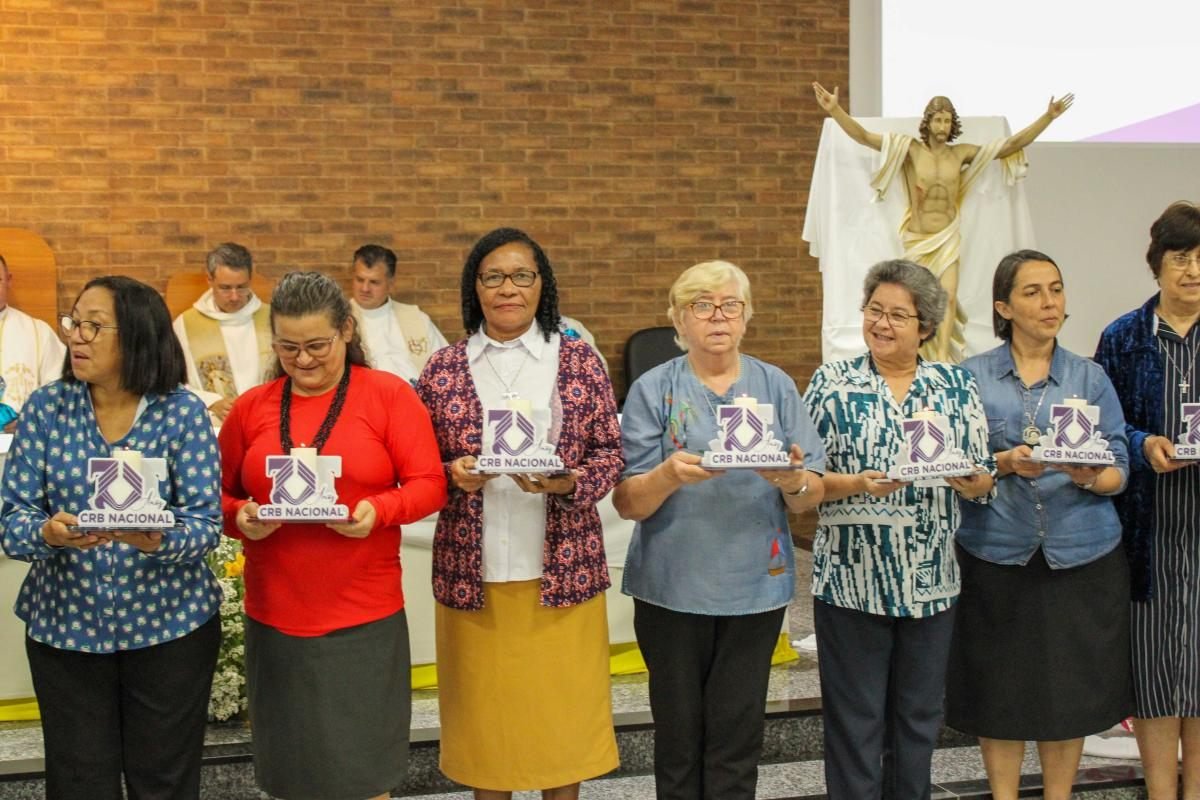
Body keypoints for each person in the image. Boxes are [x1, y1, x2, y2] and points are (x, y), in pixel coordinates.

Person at [219, 271, 446, 800]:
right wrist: (242, 516)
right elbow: (217, 496)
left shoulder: (387, 396)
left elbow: (430, 484)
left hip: (362, 618)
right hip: (275, 618)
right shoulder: (252, 407)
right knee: (290, 773)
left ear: (346, 330)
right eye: (288, 347)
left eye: (317, 345)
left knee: (363, 773)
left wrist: (378, 509)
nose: (302, 360)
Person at [415, 227, 622, 800]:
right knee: (488, 731)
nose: (508, 288)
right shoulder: (442, 368)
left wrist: (569, 482)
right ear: (475, 288)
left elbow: (610, 452)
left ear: (541, 285)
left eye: (521, 276)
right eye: (493, 277)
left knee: (561, 725)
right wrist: (452, 473)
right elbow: (417, 464)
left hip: (563, 574)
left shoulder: (578, 360)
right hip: (473, 577)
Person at [1, 276, 222, 799]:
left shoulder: (181, 413)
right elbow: (12, 521)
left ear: (139, 336)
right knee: (80, 783)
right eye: (74, 322)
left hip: (170, 630)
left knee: (164, 782)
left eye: (94, 326)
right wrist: (49, 533)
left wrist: (156, 539)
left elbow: (205, 524)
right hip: (67, 630)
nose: (76, 336)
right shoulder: (46, 409)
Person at [613, 259, 827, 800]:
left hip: (754, 587)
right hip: (671, 587)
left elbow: (810, 495)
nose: (718, 316)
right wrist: (666, 476)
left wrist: (793, 479)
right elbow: (628, 503)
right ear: (677, 320)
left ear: (747, 316)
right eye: (701, 306)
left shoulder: (774, 385)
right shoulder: (654, 389)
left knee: (736, 739)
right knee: (679, 738)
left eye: (731, 305)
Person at [802, 259, 994, 799]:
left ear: (925, 326)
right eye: (874, 310)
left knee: (918, 718)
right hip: (851, 579)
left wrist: (969, 479)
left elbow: (984, 476)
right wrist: (858, 484)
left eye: (898, 316)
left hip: (930, 582)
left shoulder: (954, 385)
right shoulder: (832, 383)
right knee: (855, 720)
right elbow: (804, 481)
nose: (881, 324)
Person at [946, 250, 1132, 800]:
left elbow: (1120, 468)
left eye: (1056, 289)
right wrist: (1004, 463)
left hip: (1081, 554)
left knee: (1067, 696)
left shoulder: (1089, 376)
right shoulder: (970, 377)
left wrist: (1089, 476)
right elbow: (956, 464)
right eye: (1032, 292)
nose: (1049, 302)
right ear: (1004, 307)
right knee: (998, 695)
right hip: (996, 552)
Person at [811, 83, 1073, 362]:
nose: (942, 126)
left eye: (947, 121)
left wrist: (1048, 117)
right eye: (938, 120)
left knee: (947, 297)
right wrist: (835, 110)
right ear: (928, 122)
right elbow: (863, 136)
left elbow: (1009, 145)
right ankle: (915, 354)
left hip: (947, 238)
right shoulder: (911, 150)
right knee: (914, 300)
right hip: (919, 240)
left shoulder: (960, 154)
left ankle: (941, 360)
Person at [1094, 201, 1200, 800]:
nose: (1193, 270)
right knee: (1156, 676)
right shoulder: (1123, 337)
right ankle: (1161, 791)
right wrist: (1141, 444)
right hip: (1149, 532)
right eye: (1180, 257)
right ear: (1157, 264)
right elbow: (1103, 428)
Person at [172, 242, 272, 423]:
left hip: (266, 419)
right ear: (209, 280)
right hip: (214, 425)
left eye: (241, 287)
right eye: (225, 288)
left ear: (250, 279)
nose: (234, 297)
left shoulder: (273, 319)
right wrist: (211, 402)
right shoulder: (185, 325)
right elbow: (172, 382)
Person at [350, 243, 449, 382]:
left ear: (391, 284)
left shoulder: (416, 319)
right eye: (360, 280)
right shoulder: (339, 320)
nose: (365, 288)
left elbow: (446, 366)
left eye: (374, 282)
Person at [0, 252, 65, 428]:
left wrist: (30, 421)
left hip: (24, 438)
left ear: (8, 280)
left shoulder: (39, 332)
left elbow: (60, 391)